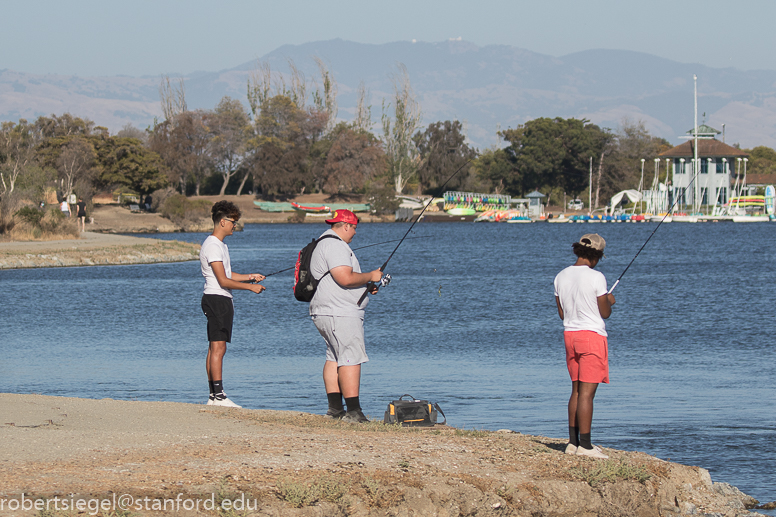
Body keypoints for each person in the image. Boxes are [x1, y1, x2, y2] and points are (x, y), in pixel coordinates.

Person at [309, 209, 382, 423]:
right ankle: (353, 412)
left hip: (327, 310)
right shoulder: (335, 245)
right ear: (346, 225)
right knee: (351, 357)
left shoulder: (324, 243)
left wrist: (366, 286)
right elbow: (345, 278)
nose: (355, 233)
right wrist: (371, 275)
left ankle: (335, 410)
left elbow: (343, 280)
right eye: (355, 228)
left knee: (335, 357)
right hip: (339, 312)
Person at [554, 233, 615, 459]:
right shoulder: (597, 277)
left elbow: (562, 313)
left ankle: (573, 442)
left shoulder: (561, 276)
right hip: (592, 337)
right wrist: (609, 299)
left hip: (570, 335)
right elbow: (605, 313)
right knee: (588, 394)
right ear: (596, 256)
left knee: (576, 390)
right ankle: (586, 446)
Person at [200, 200, 266, 407]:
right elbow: (223, 281)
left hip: (220, 299)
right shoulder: (212, 246)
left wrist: (249, 277)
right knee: (218, 348)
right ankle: (218, 396)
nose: (235, 225)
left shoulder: (220, 246)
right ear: (222, 222)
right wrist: (250, 288)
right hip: (217, 299)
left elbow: (228, 274)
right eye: (233, 221)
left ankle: (213, 396)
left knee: (215, 347)